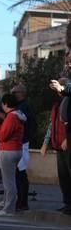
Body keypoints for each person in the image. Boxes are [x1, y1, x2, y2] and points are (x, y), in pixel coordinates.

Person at [0, 93, 25, 217]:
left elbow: (2, 136)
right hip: (14, 150)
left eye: (3, 104)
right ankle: (7, 203)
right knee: (8, 180)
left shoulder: (11, 117)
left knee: (9, 182)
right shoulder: (17, 116)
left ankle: (8, 209)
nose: (2, 106)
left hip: (8, 151)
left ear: (6, 104)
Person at [41, 79, 70, 215]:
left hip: (67, 144)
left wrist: (68, 140)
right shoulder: (58, 104)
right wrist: (45, 143)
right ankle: (67, 204)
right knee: (63, 176)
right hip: (58, 145)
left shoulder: (68, 102)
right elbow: (51, 125)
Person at [11, 84, 35, 211]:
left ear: (22, 93)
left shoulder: (24, 107)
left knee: (20, 174)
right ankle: (20, 201)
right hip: (21, 142)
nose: (13, 95)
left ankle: (22, 202)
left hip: (22, 143)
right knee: (18, 174)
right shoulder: (21, 106)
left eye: (15, 93)